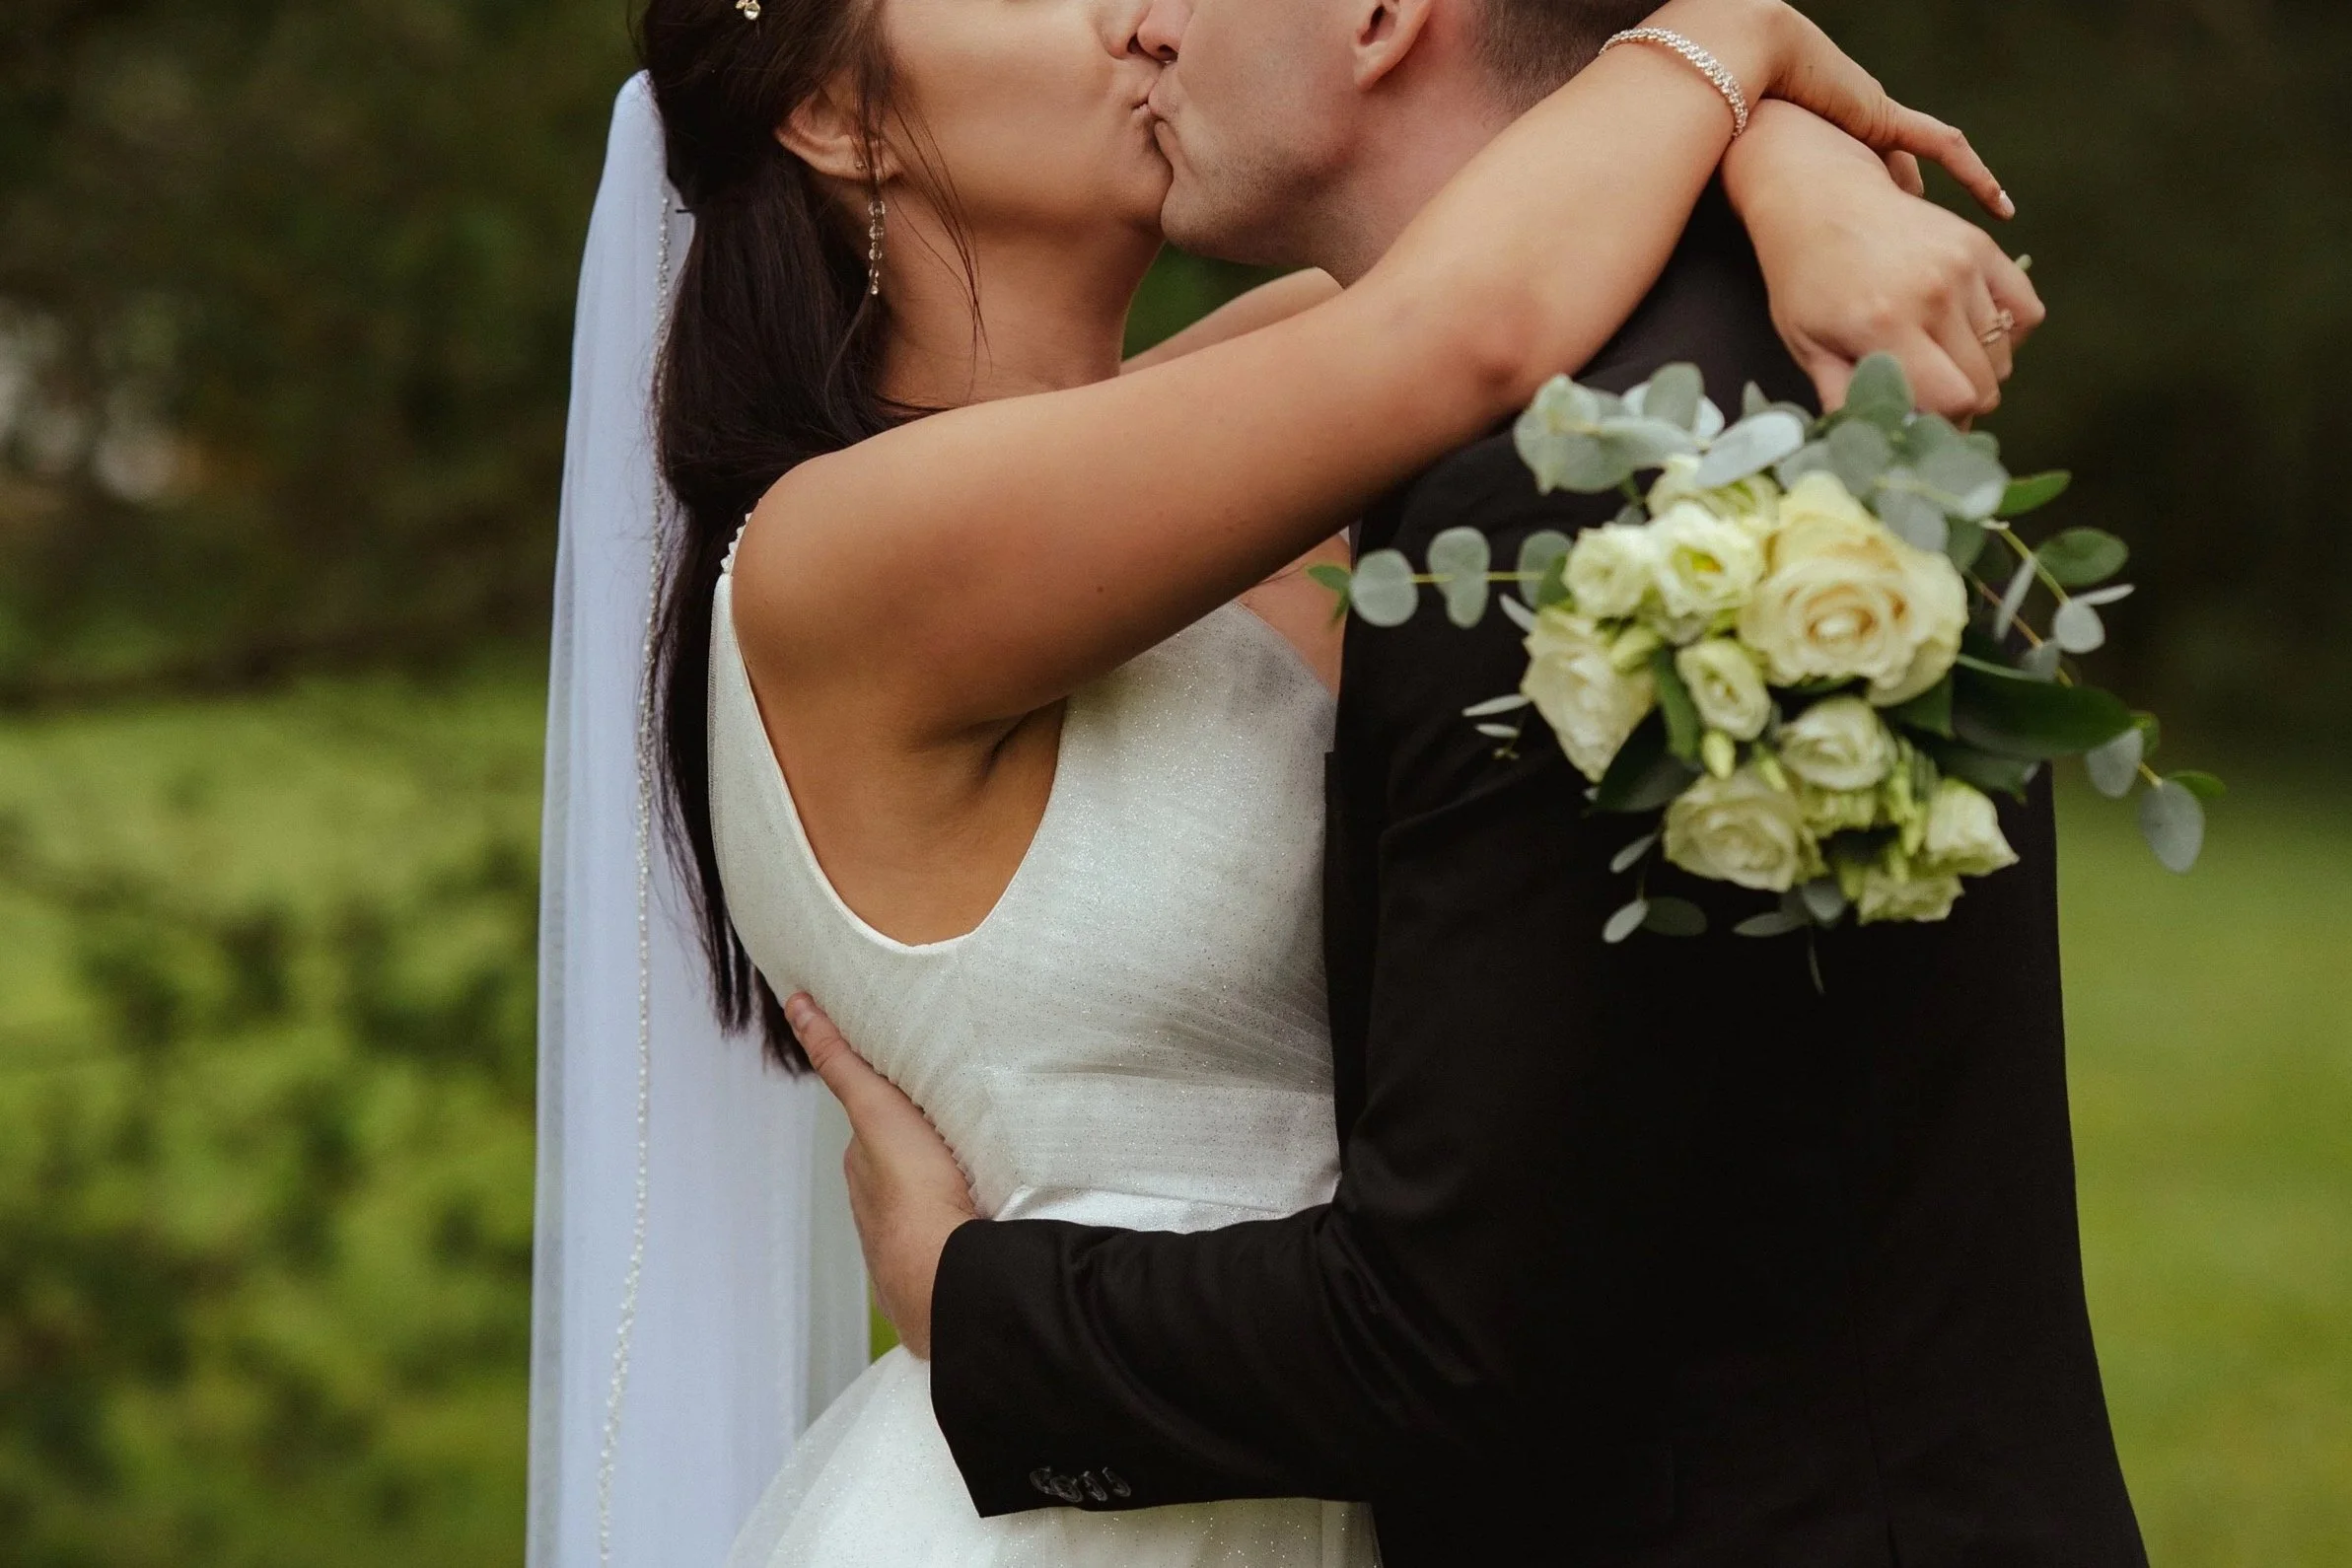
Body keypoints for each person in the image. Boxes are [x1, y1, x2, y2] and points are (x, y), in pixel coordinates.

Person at [612, 0, 2055, 1560]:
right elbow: (1466, 314)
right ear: (838, 118)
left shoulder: (1238, 421)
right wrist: (1741, 27)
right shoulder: (844, 551)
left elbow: (1546, 189)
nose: (1134, 10)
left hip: (1364, 1451)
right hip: (1081, 1506)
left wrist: (1795, 168)